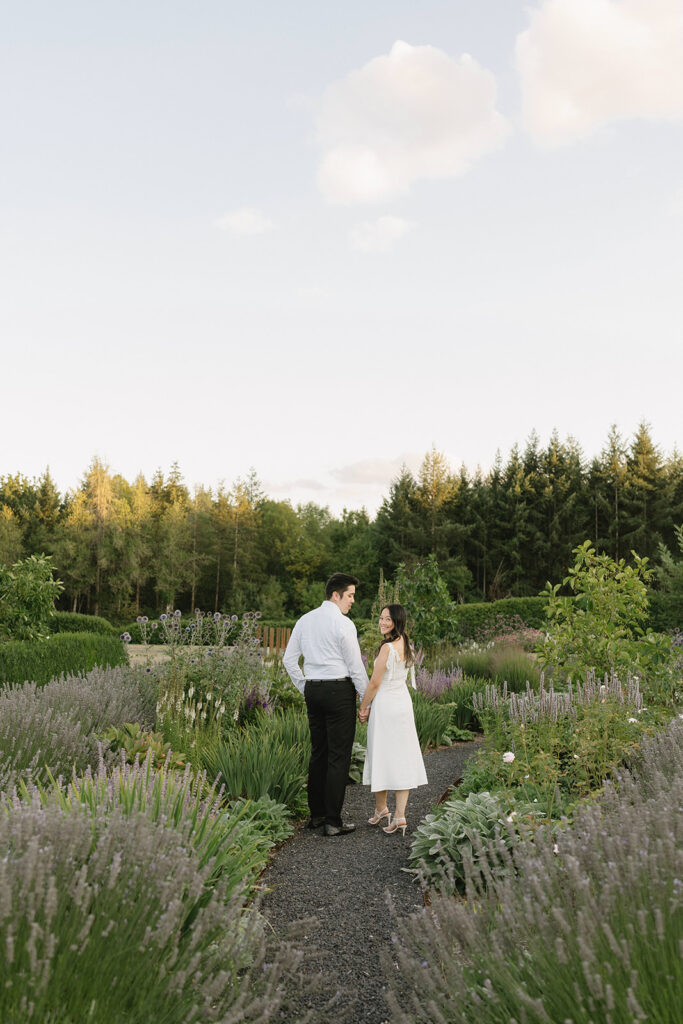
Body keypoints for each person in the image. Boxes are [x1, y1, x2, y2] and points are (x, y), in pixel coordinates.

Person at [283, 573, 368, 837]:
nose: (352, 601)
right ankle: (333, 821)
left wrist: (304, 686)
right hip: (338, 690)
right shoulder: (343, 624)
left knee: (319, 751)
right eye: (350, 595)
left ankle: (317, 816)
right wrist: (366, 702)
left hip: (314, 689)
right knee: (338, 756)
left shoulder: (304, 620)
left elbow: (288, 660)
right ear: (336, 595)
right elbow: (356, 667)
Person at [358, 604, 427, 835]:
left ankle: (382, 809)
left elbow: (375, 683)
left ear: (397, 621)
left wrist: (363, 706)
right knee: (402, 756)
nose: (382, 622)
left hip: (386, 704)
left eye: (387, 619)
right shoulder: (406, 644)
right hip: (403, 704)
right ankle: (399, 815)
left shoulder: (387, 648)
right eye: (381, 618)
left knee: (382, 754)